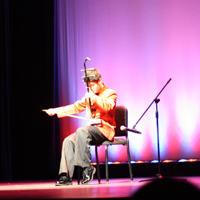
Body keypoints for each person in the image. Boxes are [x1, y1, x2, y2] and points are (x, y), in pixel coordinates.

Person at [45, 68, 117, 185]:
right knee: (68, 140)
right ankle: (65, 176)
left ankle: (87, 168)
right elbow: (75, 107)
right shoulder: (90, 95)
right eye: (89, 86)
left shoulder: (110, 93)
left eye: (93, 85)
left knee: (81, 131)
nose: (91, 88)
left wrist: (95, 99)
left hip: (104, 130)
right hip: (90, 132)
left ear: (100, 81)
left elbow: (108, 107)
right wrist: (55, 110)